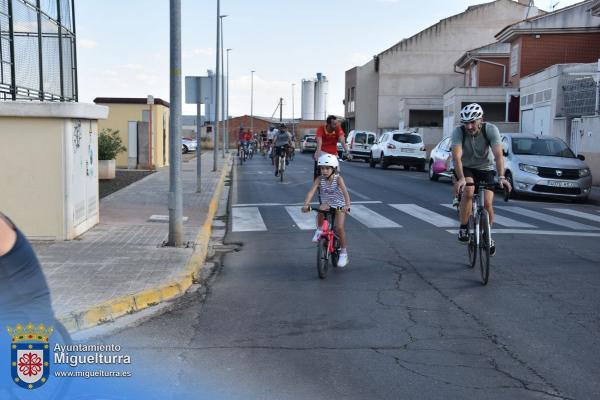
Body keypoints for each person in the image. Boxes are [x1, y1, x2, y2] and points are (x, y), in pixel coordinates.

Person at [451, 103, 512, 256]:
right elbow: (456, 157)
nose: (469, 126)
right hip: (466, 167)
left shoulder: (490, 129)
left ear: (481, 120)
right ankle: (464, 228)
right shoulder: (459, 132)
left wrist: (502, 176)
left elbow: (498, 155)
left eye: (472, 122)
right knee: (469, 191)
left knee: (487, 203)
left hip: (486, 168)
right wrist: (462, 179)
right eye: (466, 123)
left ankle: (487, 235)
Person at [302, 154, 351, 267]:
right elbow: (311, 192)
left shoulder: (338, 179)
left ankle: (343, 253)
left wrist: (347, 205)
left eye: (327, 168)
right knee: (320, 210)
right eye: (322, 168)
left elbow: (345, 193)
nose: (324, 171)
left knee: (339, 227)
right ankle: (319, 230)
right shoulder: (319, 179)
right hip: (327, 203)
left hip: (339, 204)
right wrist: (305, 205)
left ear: (333, 169)